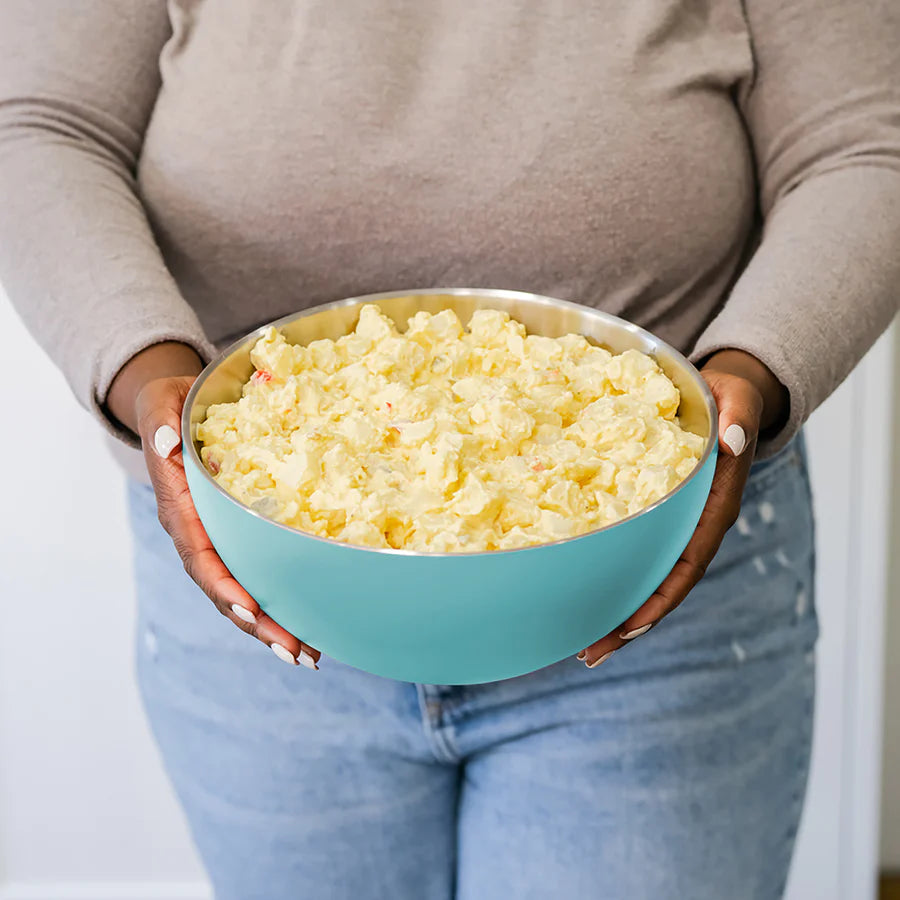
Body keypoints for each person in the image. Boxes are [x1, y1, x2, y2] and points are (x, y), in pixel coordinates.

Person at [1, 2, 897, 898]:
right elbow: (41, 126)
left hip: (654, 582)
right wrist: (146, 374)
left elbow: (863, 143)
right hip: (256, 574)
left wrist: (753, 370)